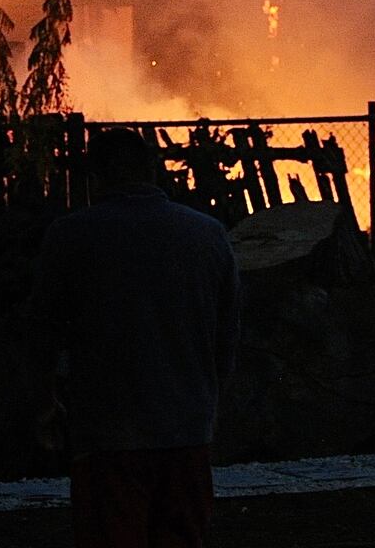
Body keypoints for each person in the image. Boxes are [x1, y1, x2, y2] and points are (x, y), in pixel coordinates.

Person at [33, 127, 240, 548]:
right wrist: (209, 402)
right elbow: (227, 333)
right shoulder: (208, 235)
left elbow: (44, 330)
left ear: (97, 176)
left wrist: (44, 405)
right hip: (186, 430)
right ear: (153, 171)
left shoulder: (70, 236)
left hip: (108, 435)